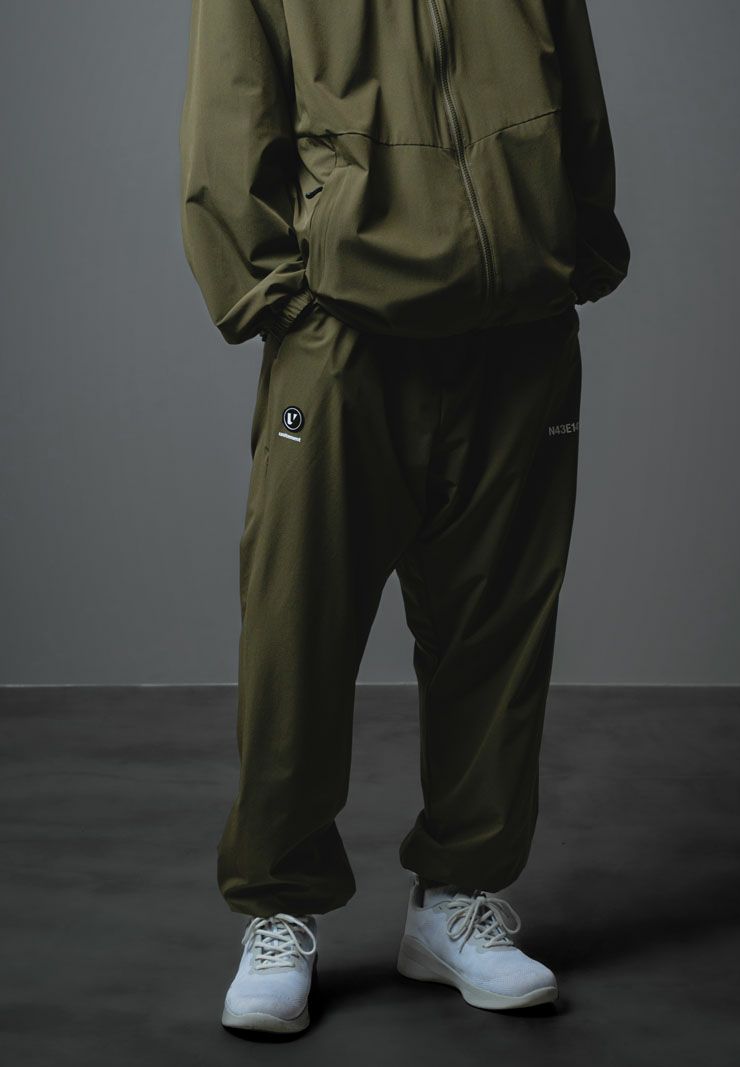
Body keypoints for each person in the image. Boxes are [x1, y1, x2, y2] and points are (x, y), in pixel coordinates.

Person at [180, 0, 629, 1034]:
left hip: (518, 336)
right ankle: (279, 906)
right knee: (297, 633)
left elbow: (580, 100)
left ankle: (455, 900)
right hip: (344, 336)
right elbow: (227, 123)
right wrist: (281, 299)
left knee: (497, 633)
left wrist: (571, 253)